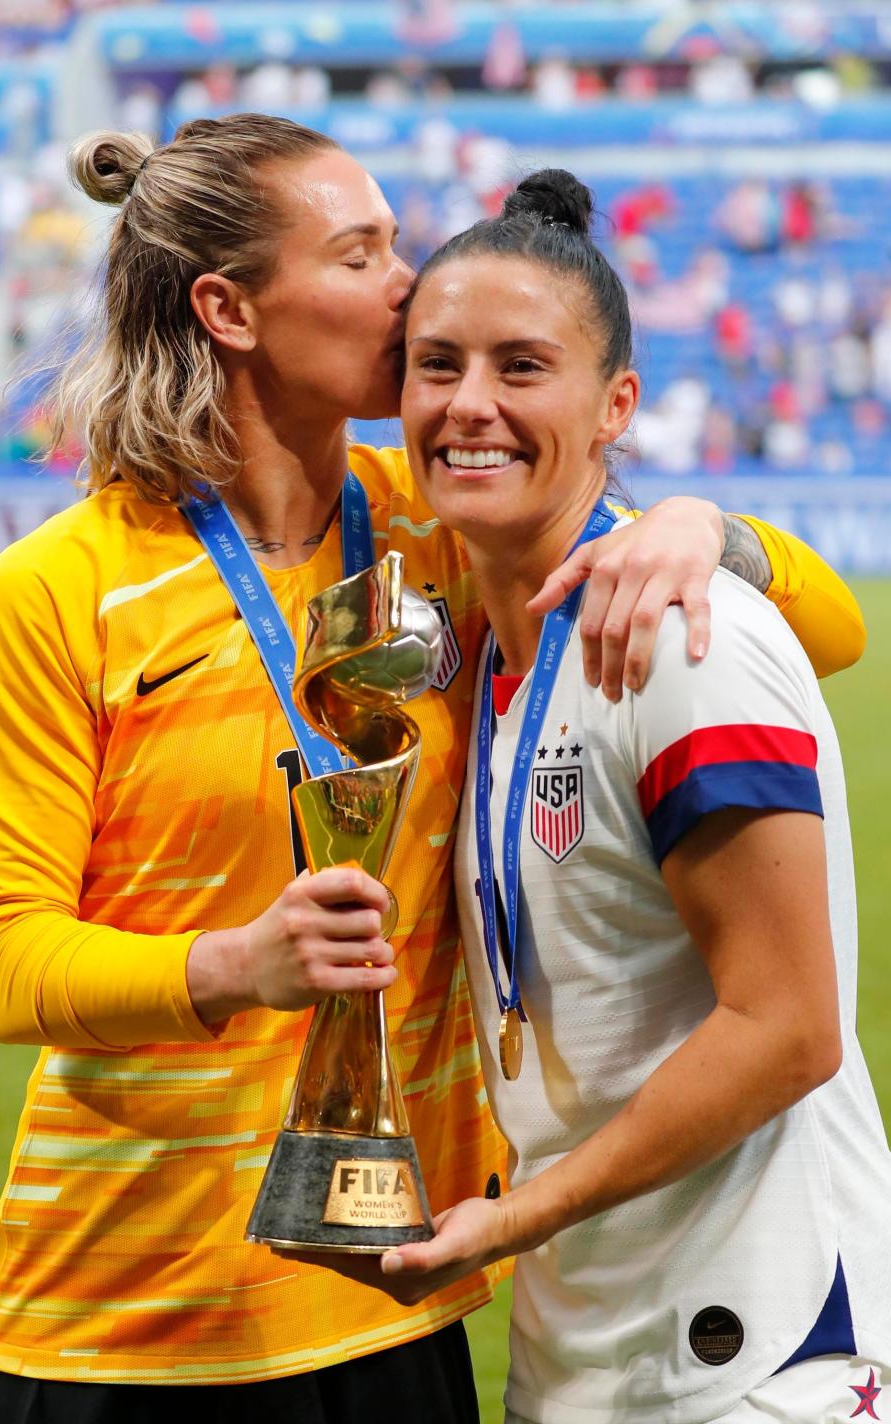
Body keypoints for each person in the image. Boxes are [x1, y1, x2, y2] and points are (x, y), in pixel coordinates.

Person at [0, 118, 866, 1424]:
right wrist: (232, 964)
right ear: (230, 309)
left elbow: (829, 630)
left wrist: (700, 527)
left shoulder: (439, 526)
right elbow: (6, 963)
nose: (409, 278)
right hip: (117, 1322)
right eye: (365, 251)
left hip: (387, 1303)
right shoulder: (57, 592)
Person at [349, 169, 891, 1423]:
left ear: (617, 407)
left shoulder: (688, 640)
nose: (470, 404)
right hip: (588, 1338)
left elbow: (792, 1025)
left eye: (523, 365)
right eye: (437, 364)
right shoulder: (477, 648)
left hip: (763, 1347)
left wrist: (514, 1214)